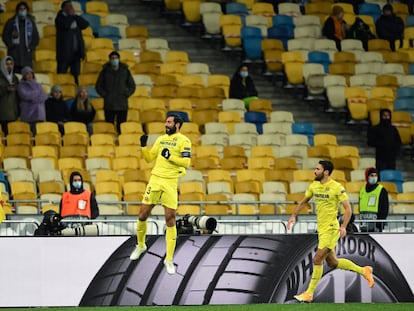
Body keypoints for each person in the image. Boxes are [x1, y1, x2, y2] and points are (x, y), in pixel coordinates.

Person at [287, 160, 374, 303]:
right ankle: (364, 271)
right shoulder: (314, 185)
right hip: (321, 229)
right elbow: (304, 201)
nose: (314, 171)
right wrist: (293, 215)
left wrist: (344, 226)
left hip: (332, 229)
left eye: (317, 169)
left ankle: (309, 293)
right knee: (333, 262)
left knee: (317, 259)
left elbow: (348, 209)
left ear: (326, 172)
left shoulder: (336, 187)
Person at [129, 114, 192, 275]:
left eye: (169, 122)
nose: (166, 124)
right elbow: (149, 158)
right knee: (142, 214)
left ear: (177, 125)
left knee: (170, 219)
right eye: (166, 121)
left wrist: (169, 156)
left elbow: (186, 162)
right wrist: (143, 147)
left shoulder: (184, 141)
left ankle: (168, 259)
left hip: (170, 182)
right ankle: (141, 245)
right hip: (155, 180)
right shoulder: (161, 139)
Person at [95, 51, 136, 134]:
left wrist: (126, 94)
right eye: (112, 58)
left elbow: (132, 86)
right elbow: (98, 86)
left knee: (121, 127)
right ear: (110, 60)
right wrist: (105, 95)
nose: (114, 60)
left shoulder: (125, 70)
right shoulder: (105, 71)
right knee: (109, 127)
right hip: (109, 104)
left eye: (116, 58)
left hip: (122, 104)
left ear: (119, 59)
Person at [55, 0, 89, 84]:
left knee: (76, 77)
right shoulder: (59, 18)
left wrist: (75, 16)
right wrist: (71, 16)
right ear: (63, 8)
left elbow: (85, 24)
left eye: (71, 6)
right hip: (64, 54)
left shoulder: (74, 17)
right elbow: (66, 26)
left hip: (76, 53)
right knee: (61, 76)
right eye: (68, 6)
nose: (71, 8)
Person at [2, 1, 39, 72]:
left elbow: (35, 38)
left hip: (27, 56)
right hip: (14, 55)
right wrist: (11, 46)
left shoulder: (31, 23)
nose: (22, 11)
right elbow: (5, 36)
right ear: (17, 10)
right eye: (20, 9)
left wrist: (31, 48)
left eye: (24, 9)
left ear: (27, 10)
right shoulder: (11, 22)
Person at [17, 66, 48, 134]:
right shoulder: (21, 86)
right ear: (24, 75)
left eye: (31, 73)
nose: (30, 75)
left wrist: (33, 99)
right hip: (29, 114)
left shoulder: (38, 85)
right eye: (27, 73)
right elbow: (25, 96)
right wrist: (37, 93)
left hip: (40, 114)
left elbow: (44, 96)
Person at [358, 167, 389, 232]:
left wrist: (379, 223)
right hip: (364, 225)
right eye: (372, 175)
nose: (374, 177)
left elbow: (384, 208)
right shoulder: (362, 190)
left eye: (375, 175)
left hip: (376, 225)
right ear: (367, 176)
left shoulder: (381, 190)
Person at [0, 56, 19, 135]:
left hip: (13, 113)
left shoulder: (15, 78)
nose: (9, 66)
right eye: (7, 64)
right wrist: (5, 89)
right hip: (2, 112)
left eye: (10, 64)